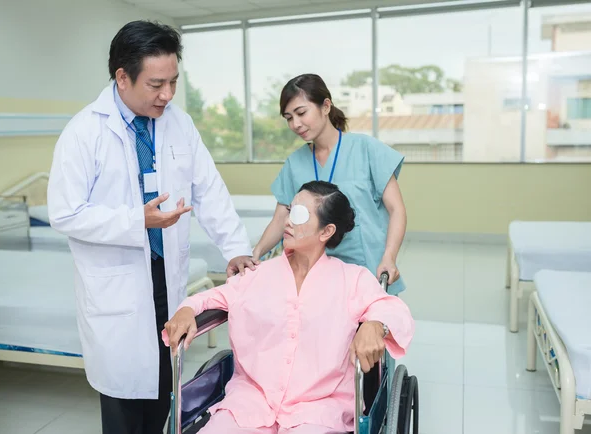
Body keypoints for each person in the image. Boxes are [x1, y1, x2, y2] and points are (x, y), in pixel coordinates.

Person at [46, 20, 258, 434]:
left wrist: (235, 247)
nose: (167, 94)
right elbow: (65, 213)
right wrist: (135, 220)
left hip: (168, 279)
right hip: (118, 287)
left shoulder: (179, 123)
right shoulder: (84, 132)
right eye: (156, 84)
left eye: (174, 82)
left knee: (165, 389)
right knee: (125, 404)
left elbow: (209, 189)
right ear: (122, 77)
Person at [163, 181, 415, 434]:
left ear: (326, 231)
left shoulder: (352, 279)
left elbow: (394, 311)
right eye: (289, 211)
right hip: (250, 404)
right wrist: (187, 309)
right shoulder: (256, 275)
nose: (287, 222)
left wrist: (374, 325)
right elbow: (208, 298)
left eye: (299, 214)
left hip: (319, 410)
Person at [253, 73, 407, 296]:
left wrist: (389, 258)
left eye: (301, 113)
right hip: (316, 276)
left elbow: (397, 210)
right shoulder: (295, 163)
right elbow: (280, 218)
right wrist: (256, 253)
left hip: (369, 270)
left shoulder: (366, 149)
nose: (295, 124)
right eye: (288, 117)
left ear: (326, 106)